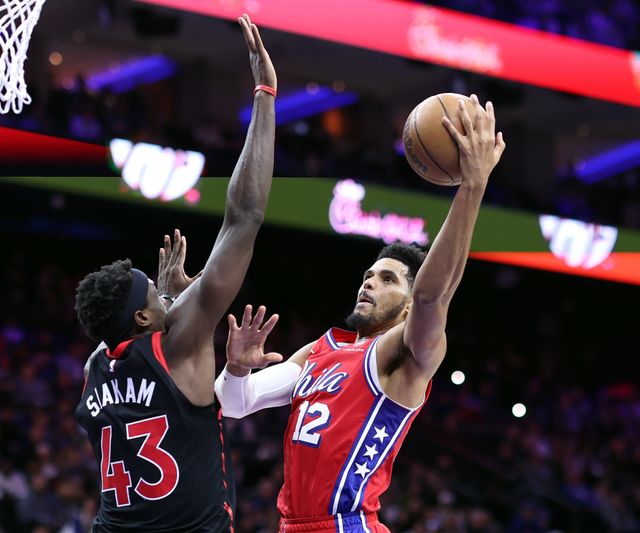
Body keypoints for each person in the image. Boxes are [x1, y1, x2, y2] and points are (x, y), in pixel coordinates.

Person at [215, 95, 506, 532]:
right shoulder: (321, 349)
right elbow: (236, 405)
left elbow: (432, 297)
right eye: (369, 274)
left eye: (388, 280)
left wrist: (473, 186)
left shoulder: (403, 357)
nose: (369, 282)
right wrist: (236, 368)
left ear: (407, 306)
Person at [73, 14, 277, 532]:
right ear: (143, 315)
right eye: (156, 295)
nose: (168, 298)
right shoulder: (181, 341)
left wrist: (165, 296)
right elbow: (244, 217)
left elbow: (125, 348)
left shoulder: (94, 367)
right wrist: (264, 95)